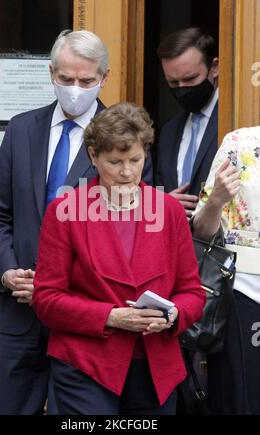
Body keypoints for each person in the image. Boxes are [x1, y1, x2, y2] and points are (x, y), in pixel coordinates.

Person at [0, 29, 152, 415]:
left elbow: (132, 233)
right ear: (51, 73)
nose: (75, 88)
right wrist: (8, 273)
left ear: (104, 78)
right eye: (66, 79)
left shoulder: (126, 142)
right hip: (21, 313)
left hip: (86, 318)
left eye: (86, 81)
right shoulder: (22, 128)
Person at [32, 102, 205, 415]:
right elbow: (46, 299)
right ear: (93, 157)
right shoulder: (65, 211)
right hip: (85, 367)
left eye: (135, 160)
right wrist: (110, 316)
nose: (127, 172)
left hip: (156, 370)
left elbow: (192, 293)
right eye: (115, 161)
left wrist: (173, 315)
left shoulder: (168, 210)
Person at [192, 126, 260, 415]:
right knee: (242, 399)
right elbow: (202, 232)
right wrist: (216, 199)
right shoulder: (240, 143)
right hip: (244, 293)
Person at [155, 27, 219, 218]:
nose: (182, 89)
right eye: (173, 83)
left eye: (190, 78)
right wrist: (164, 202)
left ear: (214, 67)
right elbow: (157, 187)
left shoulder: (235, 122)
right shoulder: (168, 131)